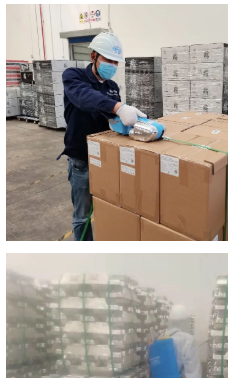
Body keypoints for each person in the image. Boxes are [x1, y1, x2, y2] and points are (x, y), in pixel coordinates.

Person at [59, 32, 146, 241]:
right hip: (81, 158)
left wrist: (138, 125)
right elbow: (85, 98)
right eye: (109, 60)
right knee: (83, 215)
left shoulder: (112, 87)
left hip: (106, 157)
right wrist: (118, 107)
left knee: (109, 207)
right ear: (93, 57)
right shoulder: (73, 76)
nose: (113, 66)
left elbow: (112, 118)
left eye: (116, 62)